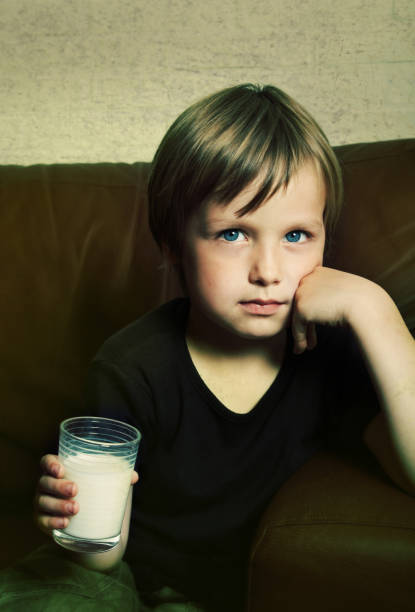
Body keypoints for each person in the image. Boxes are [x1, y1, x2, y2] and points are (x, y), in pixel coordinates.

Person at [13, 84, 415, 610]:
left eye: (296, 236)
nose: (268, 272)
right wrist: (73, 523)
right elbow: (101, 561)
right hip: (126, 579)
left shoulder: (329, 354)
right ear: (173, 244)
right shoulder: (133, 367)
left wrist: (375, 310)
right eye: (233, 234)